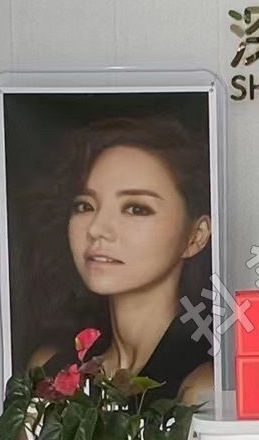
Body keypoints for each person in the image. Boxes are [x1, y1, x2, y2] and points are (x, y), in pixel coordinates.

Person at [17, 115, 214, 405]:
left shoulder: (200, 386)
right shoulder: (53, 372)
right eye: (84, 206)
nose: (97, 229)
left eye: (136, 209)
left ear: (196, 236)